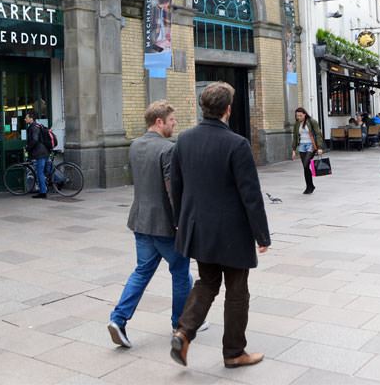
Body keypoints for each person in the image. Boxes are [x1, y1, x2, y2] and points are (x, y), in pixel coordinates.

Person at [169, 82, 271, 369]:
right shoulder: (237, 144)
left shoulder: (184, 140)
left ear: (205, 107)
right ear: (228, 109)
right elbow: (250, 195)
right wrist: (262, 235)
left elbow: (175, 187)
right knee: (237, 291)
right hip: (232, 233)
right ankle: (234, 352)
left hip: (198, 229)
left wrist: (180, 222)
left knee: (207, 282)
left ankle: (183, 332)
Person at [107, 101, 207, 349]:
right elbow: (172, 188)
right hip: (165, 226)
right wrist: (182, 222)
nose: (175, 124)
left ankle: (118, 320)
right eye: (172, 120)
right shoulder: (168, 149)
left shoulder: (135, 145)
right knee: (181, 272)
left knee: (141, 272)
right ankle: (180, 324)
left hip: (140, 221)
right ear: (159, 121)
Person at [291, 108, 323, 195]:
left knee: (306, 164)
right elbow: (295, 137)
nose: (298, 117)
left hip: (311, 145)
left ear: (305, 114)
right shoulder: (297, 124)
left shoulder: (312, 121)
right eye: (297, 116)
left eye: (300, 115)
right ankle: (309, 186)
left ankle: (310, 186)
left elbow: (318, 134)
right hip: (301, 146)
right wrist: (293, 150)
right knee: (305, 167)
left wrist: (319, 147)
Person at [25, 111, 50, 199]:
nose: (25, 119)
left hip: (40, 153)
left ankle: (43, 192)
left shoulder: (33, 127)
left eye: (26, 117)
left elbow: (35, 140)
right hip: (44, 151)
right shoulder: (37, 125)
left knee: (40, 173)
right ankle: (59, 181)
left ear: (31, 119)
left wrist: (28, 147)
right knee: (46, 171)